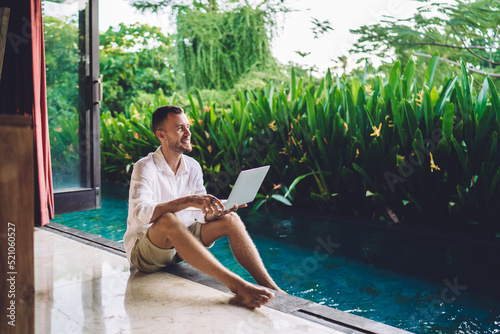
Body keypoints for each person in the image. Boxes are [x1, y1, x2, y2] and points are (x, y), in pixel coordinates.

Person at [123, 105, 281, 309]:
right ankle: (238, 287)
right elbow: (140, 214)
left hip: (180, 246)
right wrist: (186, 201)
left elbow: (198, 214)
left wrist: (218, 210)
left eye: (188, 126)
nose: (188, 133)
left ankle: (270, 285)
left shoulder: (193, 167)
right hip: (146, 254)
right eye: (180, 128)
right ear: (161, 135)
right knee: (168, 219)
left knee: (231, 220)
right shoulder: (145, 167)